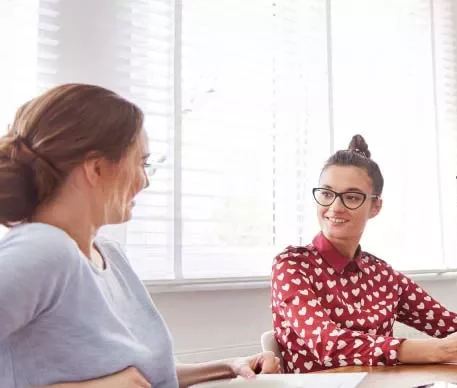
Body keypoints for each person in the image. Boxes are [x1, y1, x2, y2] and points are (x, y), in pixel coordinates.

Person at [0, 84, 280, 387]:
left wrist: (229, 366)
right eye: (141, 163)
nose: (144, 181)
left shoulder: (109, 254)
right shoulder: (42, 250)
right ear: (96, 168)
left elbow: (143, 377)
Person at [270, 135, 457, 373]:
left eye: (351, 197)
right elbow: (328, 344)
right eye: (327, 194)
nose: (335, 207)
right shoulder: (292, 265)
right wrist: (440, 350)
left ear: (376, 207)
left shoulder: (382, 274)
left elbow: (450, 324)